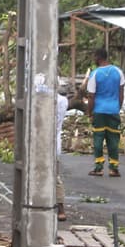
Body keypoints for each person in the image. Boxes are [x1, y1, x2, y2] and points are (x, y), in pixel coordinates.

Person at [85, 48, 125, 177]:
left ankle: (99, 167)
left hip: (99, 111)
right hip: (113, 110)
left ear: (98, 57)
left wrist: (89, 112)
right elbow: (121, 94)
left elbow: (91, 96)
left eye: (94, 57)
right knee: (113, 139)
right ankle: (114, 168)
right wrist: (117, 108)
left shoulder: (95, 74)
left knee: (98, 138)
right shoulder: (118, 72)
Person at [55, 88, 69, 220]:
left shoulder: (39, 99)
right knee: (55, 176)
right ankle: (60, 207)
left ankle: (59, 208)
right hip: (55, 144)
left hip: (41, 143)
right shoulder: (63, 100)